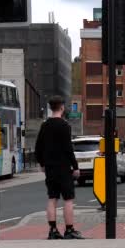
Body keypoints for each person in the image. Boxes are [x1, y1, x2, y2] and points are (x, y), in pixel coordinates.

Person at [35, 96, 83, 240]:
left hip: (50, 168)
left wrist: (42, 163)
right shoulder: (64, 126)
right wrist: (75, 166)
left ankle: (53, 230)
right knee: (68, 199)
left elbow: (38, 148)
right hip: (63, 167)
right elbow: (68, 149)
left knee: (52, 198)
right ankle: (69, 230)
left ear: (50, 108)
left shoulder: (44, 125)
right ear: (61, 107)